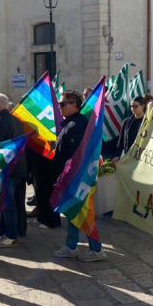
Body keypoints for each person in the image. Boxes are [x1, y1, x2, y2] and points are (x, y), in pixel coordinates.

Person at [53, 90, 105, 262]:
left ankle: (97, 249)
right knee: (72, 212)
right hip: (71, 176)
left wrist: (68, 176)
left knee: (83, 212)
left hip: (76, 177)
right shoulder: (72, 122)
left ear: (74, 105)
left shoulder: (76, 124)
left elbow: (76, 155)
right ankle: (71, 246)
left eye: (62, 104)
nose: (59, 107)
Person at [0, 93, 26, 248]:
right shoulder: (16, 120)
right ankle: (2, 232)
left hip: (5, 169)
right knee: (5, 201)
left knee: (7, 203)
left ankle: (10, 236)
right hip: (17, 167)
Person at [114, 96, 145, 161]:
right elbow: (121, 140)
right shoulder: (127, 122)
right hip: (128, 156)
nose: (132, 109)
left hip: (142, 157)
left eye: (135, 106)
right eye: (131, 106)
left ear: (143, 106)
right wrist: (117, 155)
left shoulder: (148, 121)